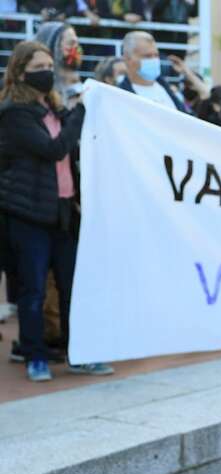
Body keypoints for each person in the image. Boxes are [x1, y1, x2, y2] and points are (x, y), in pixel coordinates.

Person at [0, 40, 112, 380]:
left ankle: (77, 352)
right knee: (32, 289)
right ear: (20, 73)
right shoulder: (14, 114)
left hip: (63, 212)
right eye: (38, 69)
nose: (47, 73)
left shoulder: (53, 109)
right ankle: (35, 356)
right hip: (29, 214)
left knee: (71, 287)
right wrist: (80, 114)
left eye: (49, 66)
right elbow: (53, 149)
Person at [118, 31, 206, 112]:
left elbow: (206, 95)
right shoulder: (121, 95)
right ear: (127, 59)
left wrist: (187, 72)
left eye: (156, 55)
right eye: (147, 56)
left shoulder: (164, 85)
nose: (154, 60)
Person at [33, 21, 80, 99]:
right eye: (71, 43)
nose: (76, 49)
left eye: (77, 44)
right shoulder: (39, 80)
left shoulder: (73, 74)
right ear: (54, 45)